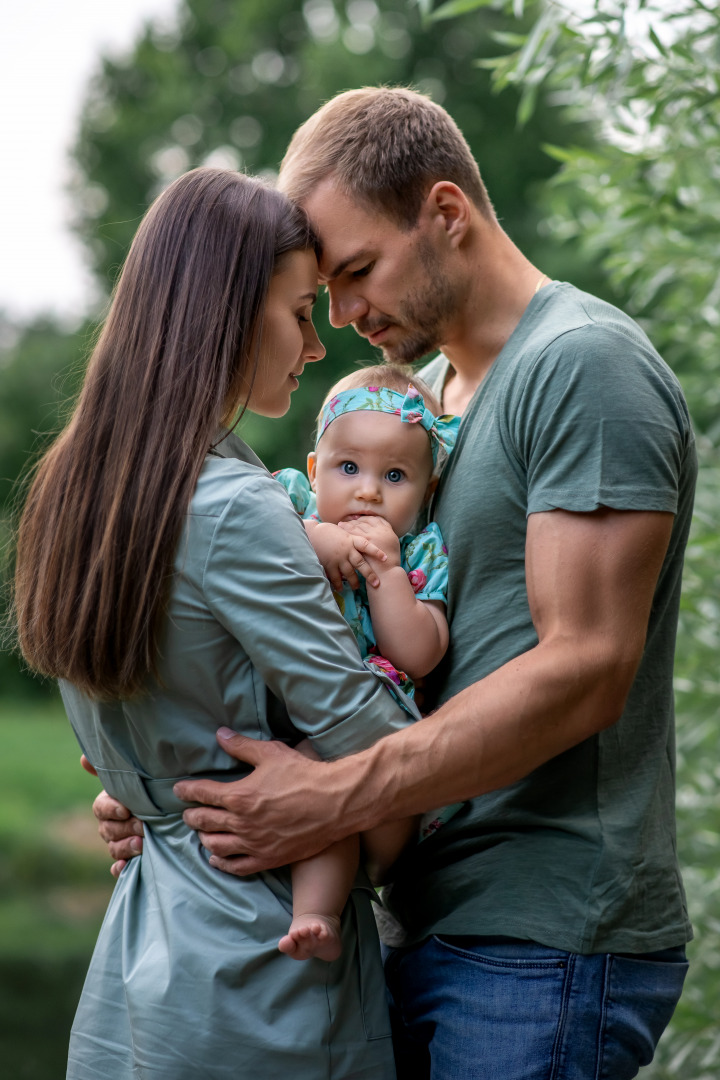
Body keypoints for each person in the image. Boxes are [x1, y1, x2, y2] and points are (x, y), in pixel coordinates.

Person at [95, 88, 697, 1079]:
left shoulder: (582, 366)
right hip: (419, 919)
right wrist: (168, 794)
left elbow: (588, 667)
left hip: (542, 942)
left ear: (446, 214)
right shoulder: (419, 415)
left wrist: (334, 797)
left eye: (359, 271)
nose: (339, 317)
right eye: (322, 291)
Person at [13, 166, 427, 1079]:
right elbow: (374, 742)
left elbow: (140, 752)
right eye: (297, 313)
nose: (314, 347)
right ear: (227, 317)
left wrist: (145, 799)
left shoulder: (73, 491)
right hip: (265, 971)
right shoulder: (235, 505)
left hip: (134, 967)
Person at [275, 362, 462, 962]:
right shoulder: (289, 504)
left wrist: (385, 573)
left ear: (428, 490)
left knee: (320, 784)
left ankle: (316, 915)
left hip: (360, 726)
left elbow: (421, 652)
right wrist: (314, 539)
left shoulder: (419, 549)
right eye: (348, 467)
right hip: (270, 697)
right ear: (314, 468)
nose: (368, 491)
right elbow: (239, 547)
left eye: (396, 475)